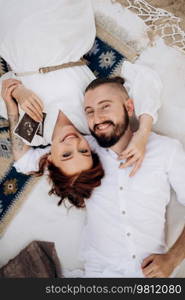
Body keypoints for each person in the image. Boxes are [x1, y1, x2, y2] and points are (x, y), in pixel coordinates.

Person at [72, 76, 185, 278]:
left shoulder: (166, 150)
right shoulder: (80, 150)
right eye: (89, 112)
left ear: (129, 107)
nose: (96, 119)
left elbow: (144, 77)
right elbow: (25, 161)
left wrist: (172, 259)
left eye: (105, 107)